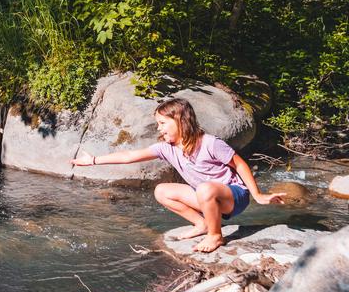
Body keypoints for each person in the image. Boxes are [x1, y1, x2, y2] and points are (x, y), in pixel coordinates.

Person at [70, 98, 284, 253]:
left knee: (205, 188)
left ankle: (216, 236)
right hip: (205, 196)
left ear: (180, 120)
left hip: (233, 196)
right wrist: (94, 160)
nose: (159, 128)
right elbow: (130, 156)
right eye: (158, 124)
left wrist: (257, 194)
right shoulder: (166, 148)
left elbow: (239, 163)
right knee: (162, 191)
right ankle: (202, 224)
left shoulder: (209, 143)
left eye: (162, 123)